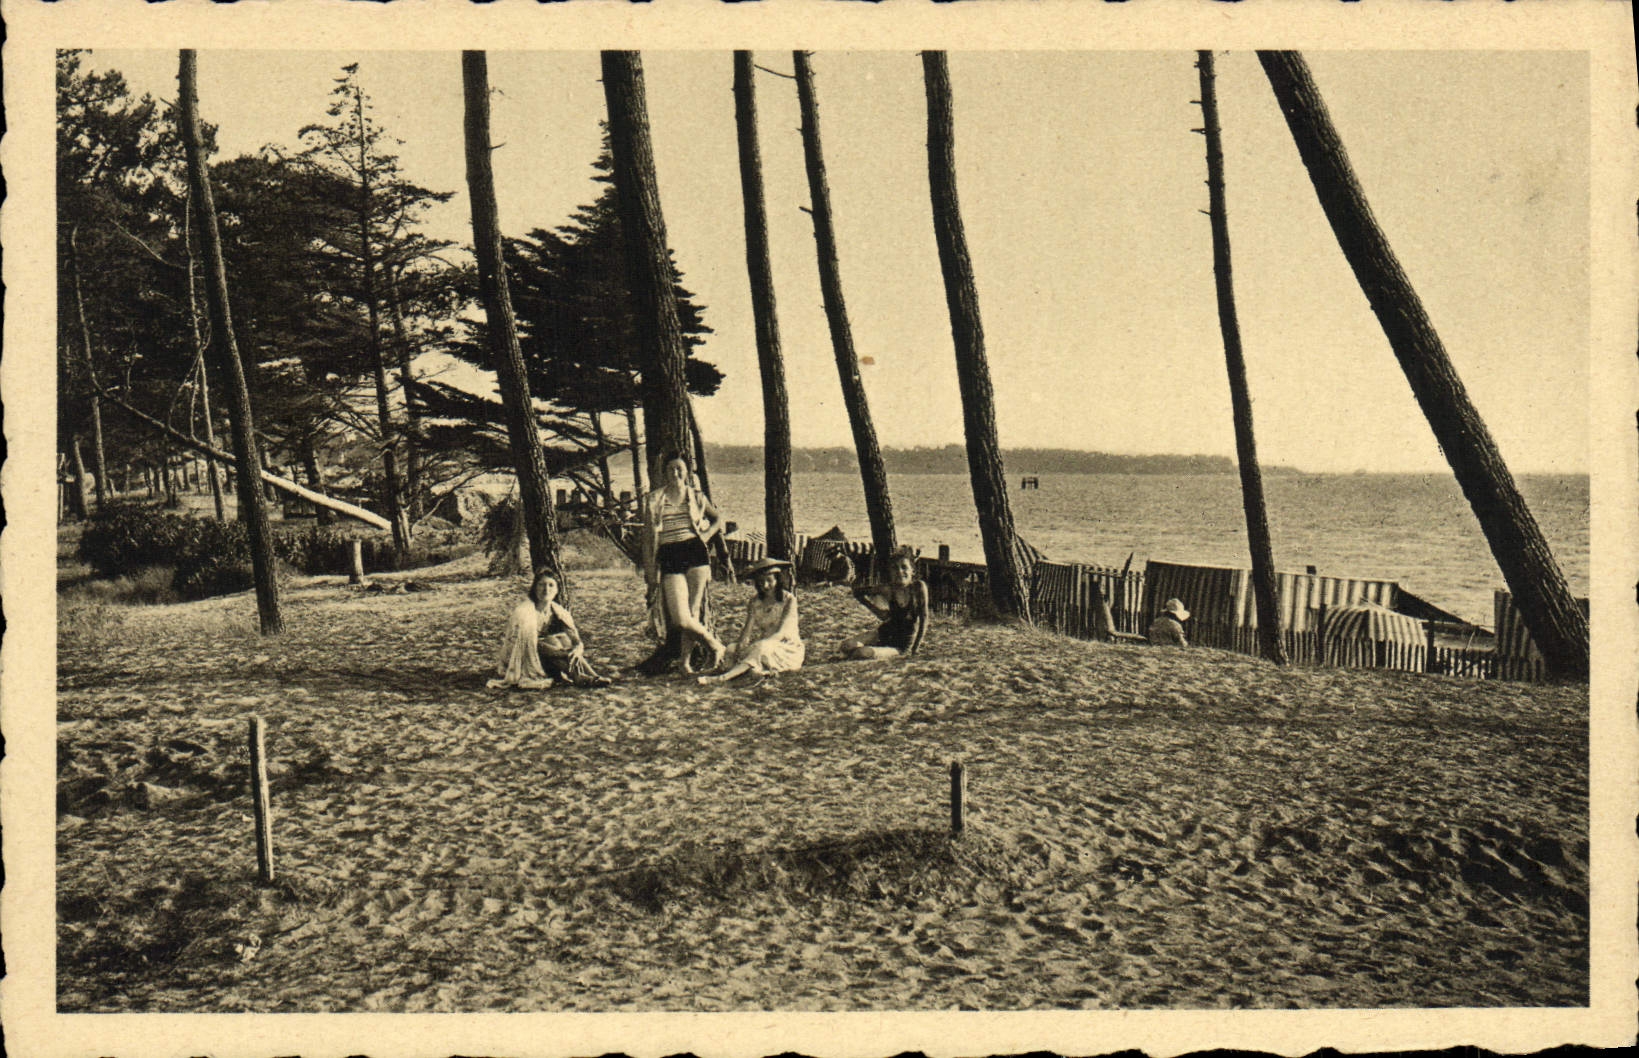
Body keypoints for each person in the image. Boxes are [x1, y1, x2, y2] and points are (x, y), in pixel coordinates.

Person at [639, 453, 729, 673]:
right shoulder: (654, 499)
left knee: (693, 610)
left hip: (695, 552)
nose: (675, 473)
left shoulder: (696, 496)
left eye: (679, 468)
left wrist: (705, 536)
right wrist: (650, 573)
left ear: (687, 472)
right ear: (664, 473)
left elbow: (718, 519)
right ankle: (715, 646)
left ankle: (685, 663)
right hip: (669, 556)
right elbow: (649, 538)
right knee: (681, 618)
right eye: (671, 469)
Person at [488, 571, 612, 689]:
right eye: (541, 585)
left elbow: (576, 640)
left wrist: (576, 651)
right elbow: (528, 644)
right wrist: (565, 653)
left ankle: (592, 676)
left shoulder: (558, 611)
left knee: (560, 639)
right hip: (524, 658)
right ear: (534, 588)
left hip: (551, 657)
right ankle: (579, 677)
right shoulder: (524, 612)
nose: (546, 590)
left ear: (557, 590)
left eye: (551, 585)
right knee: (552, 642)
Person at [698, 557, 804, 685]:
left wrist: (758, 646)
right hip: (764, 644)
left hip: (786, 647)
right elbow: (747, 630)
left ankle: (722, 678)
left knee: (761, 648)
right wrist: (740, 645)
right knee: (731, 649)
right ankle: (753, 673)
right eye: (761, 582)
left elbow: (781, 633)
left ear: (777, 579)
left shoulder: (789, 600)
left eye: (769, 581)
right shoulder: (755, 602)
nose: (765, 585)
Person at [840, 547, 928, 660]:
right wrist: (877, 611)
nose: (900, 572)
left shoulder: (918, 588)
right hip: (883, 633)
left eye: (904, 567)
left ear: (912, 570)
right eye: (895, 568)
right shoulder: (888, 589)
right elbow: (858, 592)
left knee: (860, 653)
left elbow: (924, 619)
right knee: (846, 646)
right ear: (890, 572)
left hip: (899, 645)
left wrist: (915, 649)